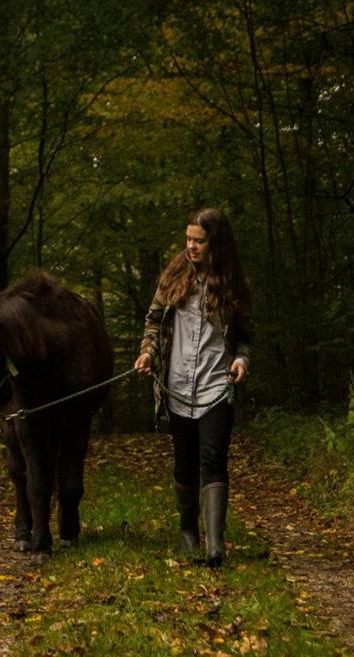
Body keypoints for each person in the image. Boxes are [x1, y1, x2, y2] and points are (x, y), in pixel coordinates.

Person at [133, 207, 252, 567]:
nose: (191, 247)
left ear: (216, 242)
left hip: (217, 386)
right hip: (177, 387)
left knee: (213, 460)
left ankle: (215, 547)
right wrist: (147, 351)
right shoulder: (173, 277)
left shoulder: (234, 285)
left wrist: (242, 361)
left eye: (198, 241)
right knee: (184, 464)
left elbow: (245, 338)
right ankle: (188, 534)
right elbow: (153, 321)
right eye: (188, 239)